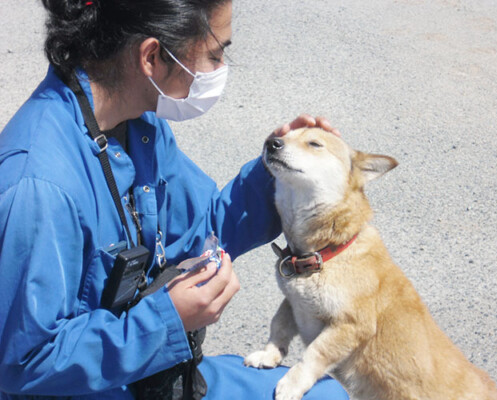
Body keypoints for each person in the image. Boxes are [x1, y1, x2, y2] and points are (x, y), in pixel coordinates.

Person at [0, 0, 347, 399]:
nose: (220, 68)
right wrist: (165, 321)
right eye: (215, 54)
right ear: (151, 56)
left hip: (151, 376)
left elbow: (202, 231)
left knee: (326, 395)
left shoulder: (138, 124)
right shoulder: (38, 186)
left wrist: (279, 172)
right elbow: (22, 362)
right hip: (91, 389)